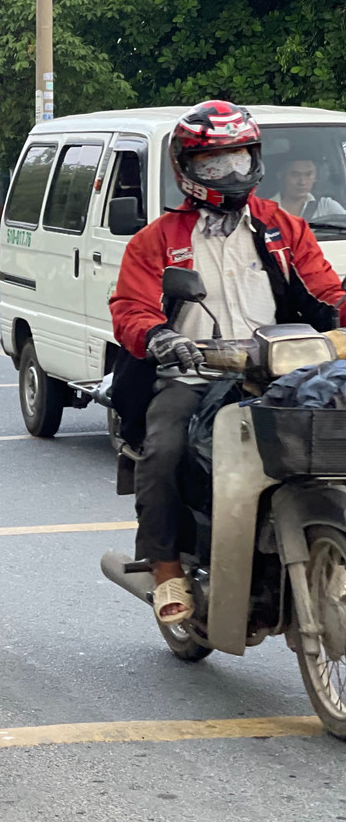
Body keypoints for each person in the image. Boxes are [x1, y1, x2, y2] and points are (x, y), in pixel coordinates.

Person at [109, 100, 346, 626]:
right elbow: (130, 308)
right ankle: (167, 567)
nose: (232, 173)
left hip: (280, 371)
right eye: (216, 164)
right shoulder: (157, 242)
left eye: (240, 159)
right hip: (192, 376)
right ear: (187, 170)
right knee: (164, 448)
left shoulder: (284, 229)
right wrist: (160, 337)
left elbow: (326, 293)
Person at [269, 155, 346, 222]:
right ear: (281, 175)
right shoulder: (265, 210)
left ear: (315, 176)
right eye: (295, 175)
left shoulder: (326, 206)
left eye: (308, 174)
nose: (302, 182)